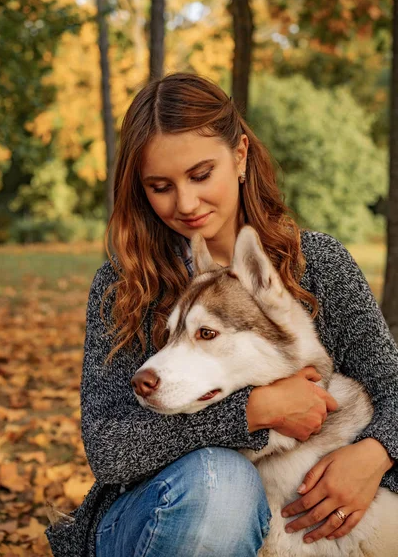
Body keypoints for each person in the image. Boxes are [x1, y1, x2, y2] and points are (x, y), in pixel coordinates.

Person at [45, 72, 397, 557]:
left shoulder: (318, 265)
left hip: (293, 506)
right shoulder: (125, 285)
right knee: (222, 485)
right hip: (149, 519)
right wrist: (254, 412)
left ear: (240, 155)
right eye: (160, 185)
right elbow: (110, 450)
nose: (185, 203)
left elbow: (392, 386)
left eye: (200, 174)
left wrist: (374, 456)